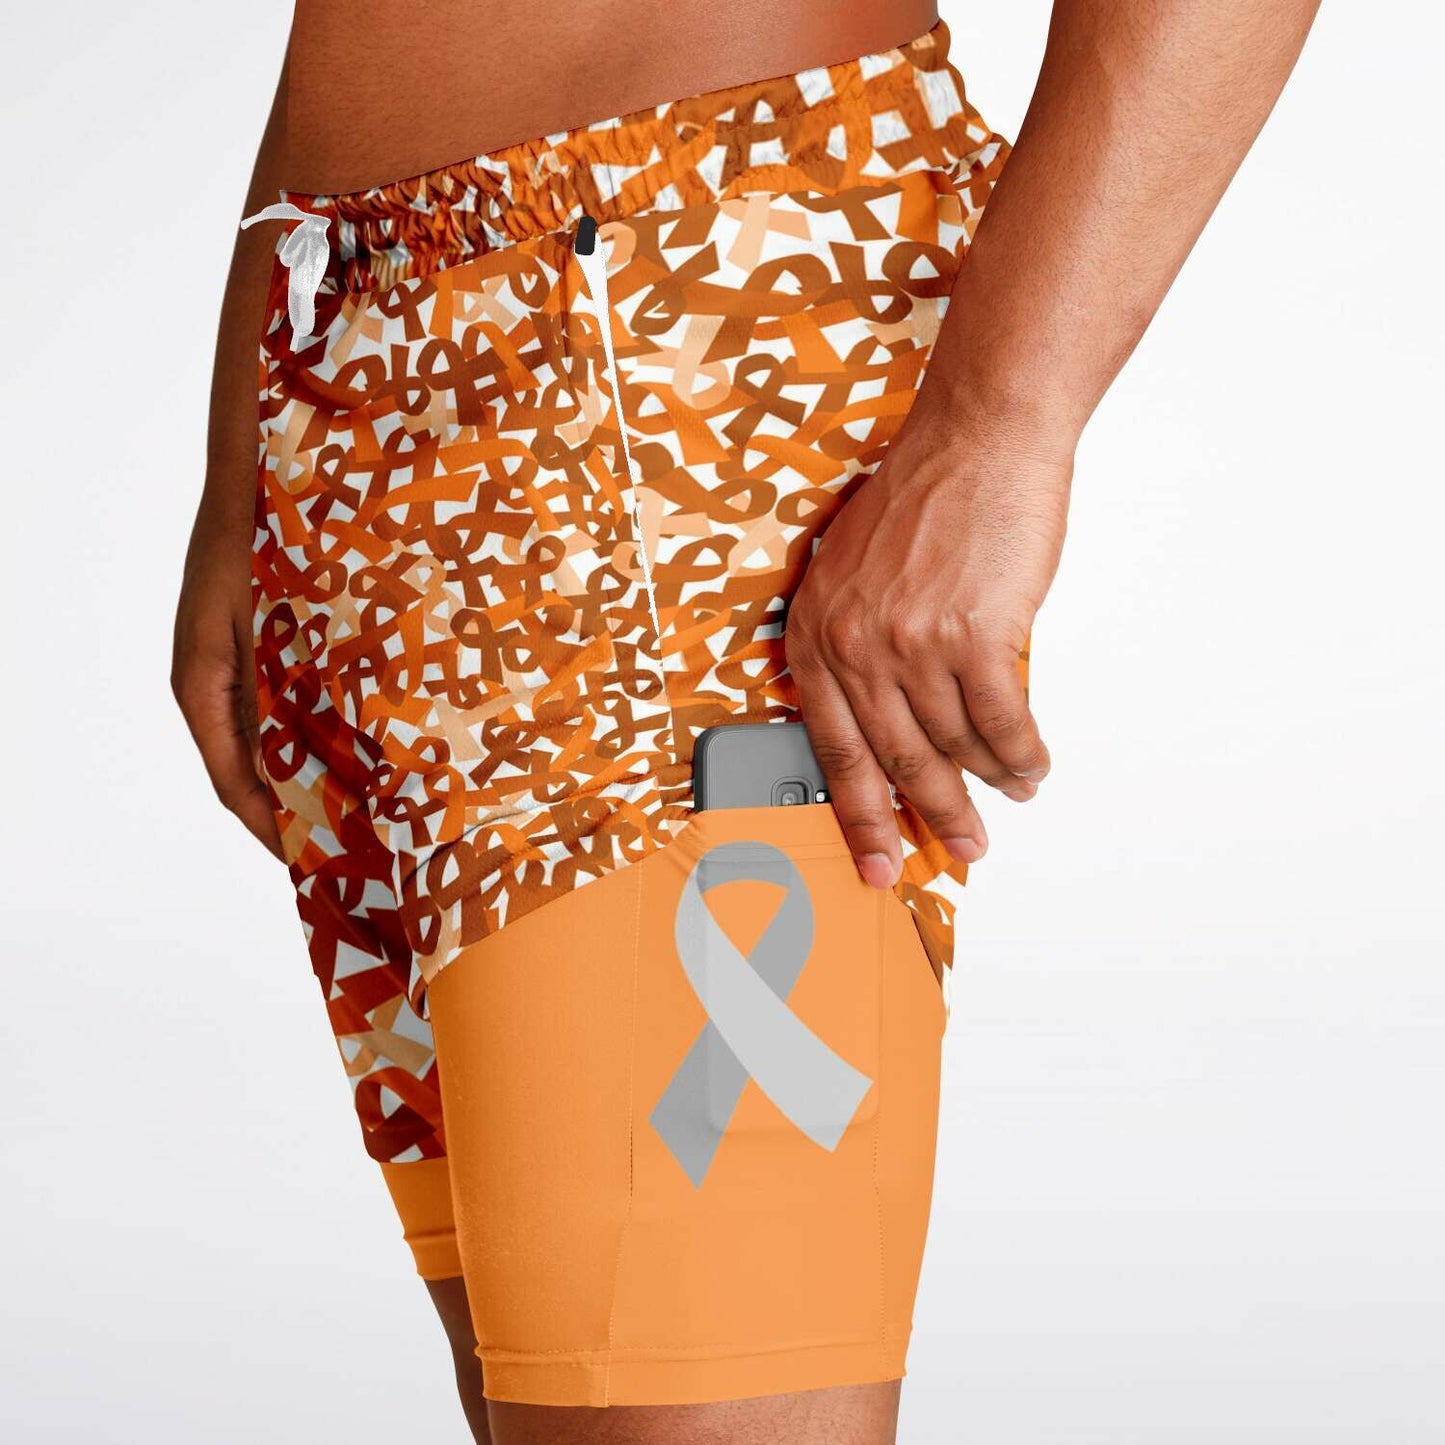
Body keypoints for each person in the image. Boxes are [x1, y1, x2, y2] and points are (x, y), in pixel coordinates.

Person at [171, 2, 1318, 1440]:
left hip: (671, 334)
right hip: (358, 365)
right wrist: (251, 462)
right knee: (561, 1393)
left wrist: (998, 426)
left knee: (674, 1394)